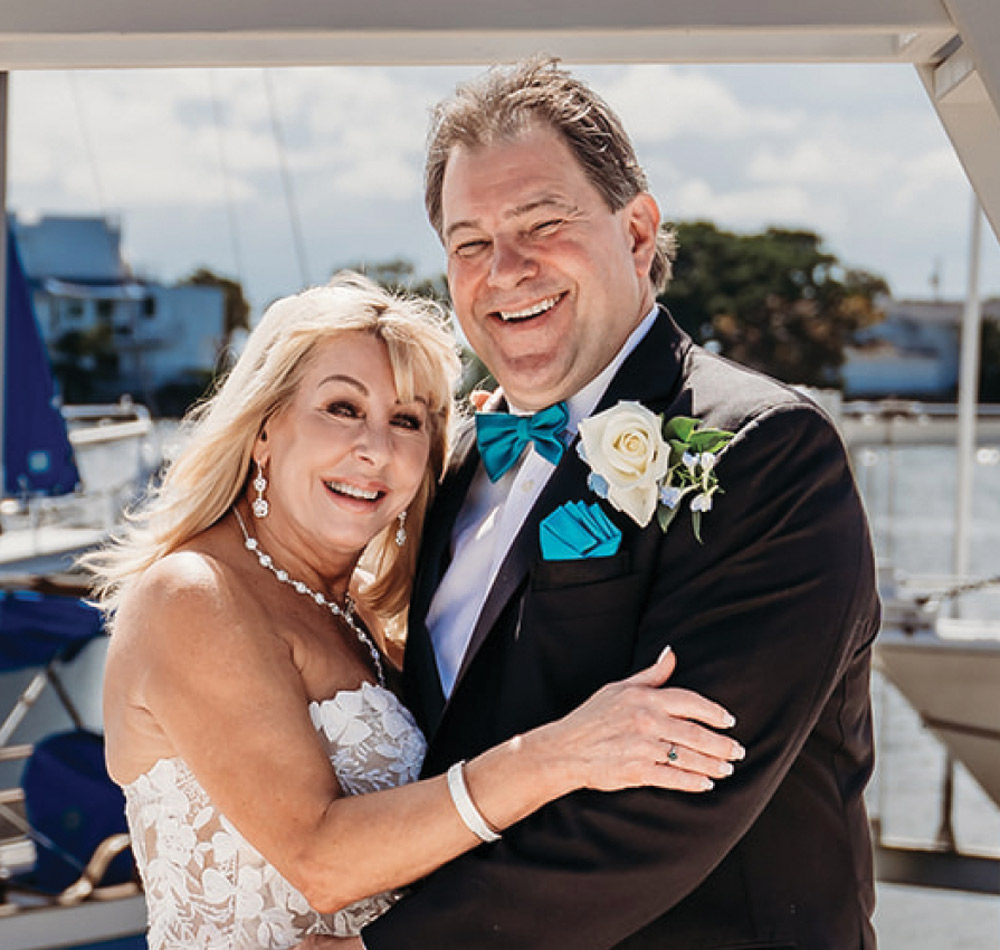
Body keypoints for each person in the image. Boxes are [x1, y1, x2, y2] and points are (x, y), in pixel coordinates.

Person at [358, 58, 881, 949]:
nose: (506, 269)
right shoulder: (449, 466)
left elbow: (676, 793)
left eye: (542, 223)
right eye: (470, 242)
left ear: (637, 230)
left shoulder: (764, 451)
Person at [92, 273, 743, 950]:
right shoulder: (194, 594)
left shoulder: (366, 622)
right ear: (263, 429)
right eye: (342, 408)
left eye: (407, 420)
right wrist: (560, 755)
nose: (376, 449)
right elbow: (322, 862)